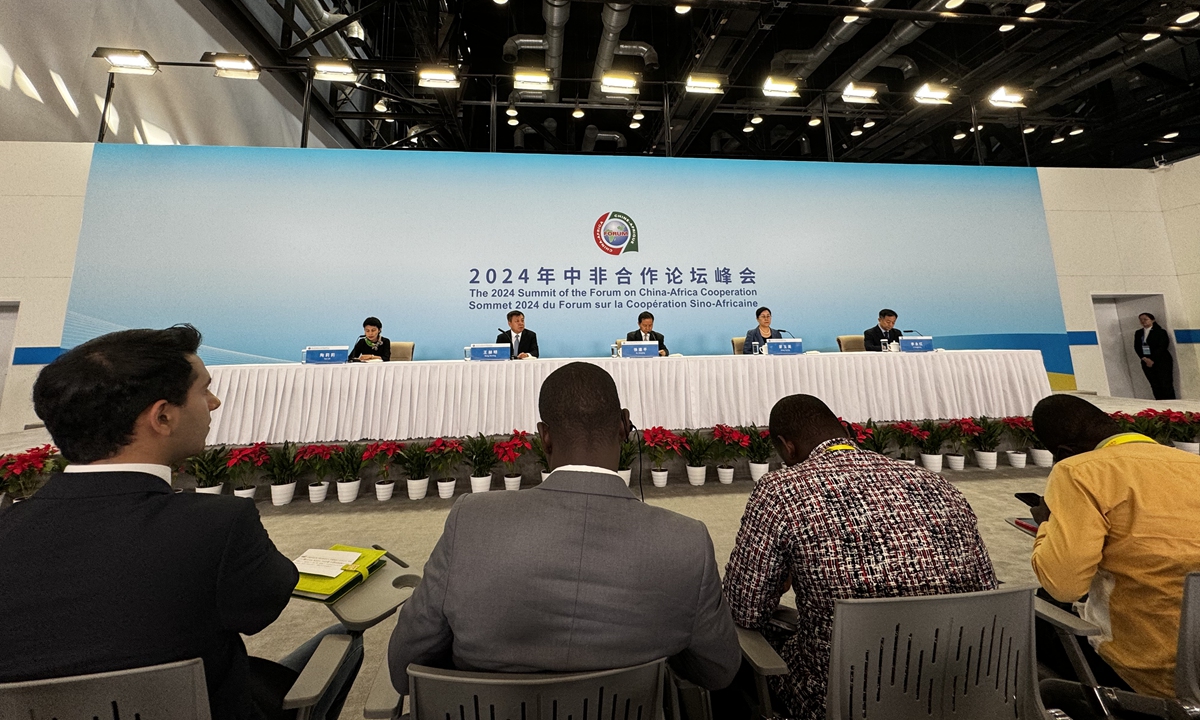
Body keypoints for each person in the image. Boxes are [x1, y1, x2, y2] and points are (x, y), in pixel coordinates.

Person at [0, 325, 362, 720]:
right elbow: (261, 608)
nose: (215, 402)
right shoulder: (217, 525)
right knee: (344, 642)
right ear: (163, 416)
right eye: (203, 389)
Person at [388, 362, 740, 694]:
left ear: (544, 437)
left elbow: (405, 668)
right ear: (624, 426)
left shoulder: (471, 520)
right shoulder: (687, 541)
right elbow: (719, 671)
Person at [723, 394, 997, 720]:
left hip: (844, 697)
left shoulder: (780, 490)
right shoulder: (936, 483)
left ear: (787, 447)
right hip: (959, 688)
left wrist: (782, 582)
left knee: (728, 652)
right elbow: (987, 593)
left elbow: (744, 610)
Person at [1029, 394, 1200, 698]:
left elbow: (1063, 585)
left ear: (1065, 452)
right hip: (1196, 663)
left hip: (1151, 675)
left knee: (1033, 614)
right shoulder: (1193, 463)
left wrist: (1046, 524)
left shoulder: (1079, 471)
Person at [1134, 312, 1176, 400]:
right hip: (1146, 361)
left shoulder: (1160, 331)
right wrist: (1144, 358)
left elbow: (1162, 346)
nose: (1143, 321)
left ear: (1152, 320)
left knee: (1165, 383)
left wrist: (1152, 359)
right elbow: (1137, 347)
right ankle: (1159, 402)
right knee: (1154, 384)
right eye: (1141, 320)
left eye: (1145, 319)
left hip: (1161, 360)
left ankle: (1171, 403)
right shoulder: (1139, 333)